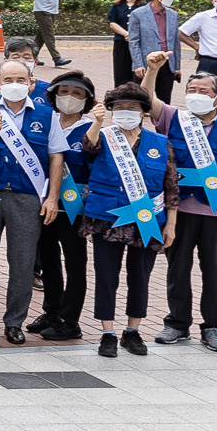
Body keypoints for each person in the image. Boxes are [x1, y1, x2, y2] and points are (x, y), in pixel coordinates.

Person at [150, 72, 217, 354]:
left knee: (215, 271)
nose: (196, 93)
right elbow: (148, 99)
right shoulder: (174, 120)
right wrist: (152, 70)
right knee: (178, 268)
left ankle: (214, 327)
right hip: (179, 211)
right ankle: (177, 323)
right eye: (191, 88)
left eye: (203, 90)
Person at [78, 82, 176, 358]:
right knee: (107, 277)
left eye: (132, 108)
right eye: (119, 108)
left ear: (144, 112)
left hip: (147, 220)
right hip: (106, 219)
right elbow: (88, 148)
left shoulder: (160, 142)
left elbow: (171, 186)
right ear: (109, 111)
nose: (126, 113)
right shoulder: (103, 135)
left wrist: (171, 224)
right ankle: (107, 332)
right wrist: (96, 122)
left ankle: (132, 330)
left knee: (140, 277)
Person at [0, 56, 54, 344]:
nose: (14, 85)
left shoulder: (46, 115)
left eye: (21, 80)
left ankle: (14, 322)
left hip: (27, 196)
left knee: (23, 262)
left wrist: (52, 197)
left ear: (31, 84)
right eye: (8, 80)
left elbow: (56, 158)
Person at [31, 71, 99, 342]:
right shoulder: (43, 122)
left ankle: (70, 320)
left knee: (75, 262)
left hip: (74, 209)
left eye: (77, 93)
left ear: (87, 99)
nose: (69, 97)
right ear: (53, 95)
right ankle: (52, 311)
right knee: (47, 260)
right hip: (42, 203)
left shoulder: (93, 129)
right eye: (64, 91)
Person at [123, 0, 181, 103]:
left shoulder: (173, 15)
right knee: (140, 101)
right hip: (145, 64)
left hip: (167, 63)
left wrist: (177, 66)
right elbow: (133, 41)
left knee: (164, 102)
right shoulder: (138, 14)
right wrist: (138, 64)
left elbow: (176, 41)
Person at [29, 0, 69, 68]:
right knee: (49, 35)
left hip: (52, 10)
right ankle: (57, 58)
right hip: (42, 9)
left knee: (41, 36)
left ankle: (30, 57)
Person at [106, 0, 144, 88]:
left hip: (139, 44)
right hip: (121, 43)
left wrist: (135, 36)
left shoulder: (144, 7)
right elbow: (112, 23)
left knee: (137, 74)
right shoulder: (117, 6)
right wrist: (126, 34)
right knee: (121, 73)